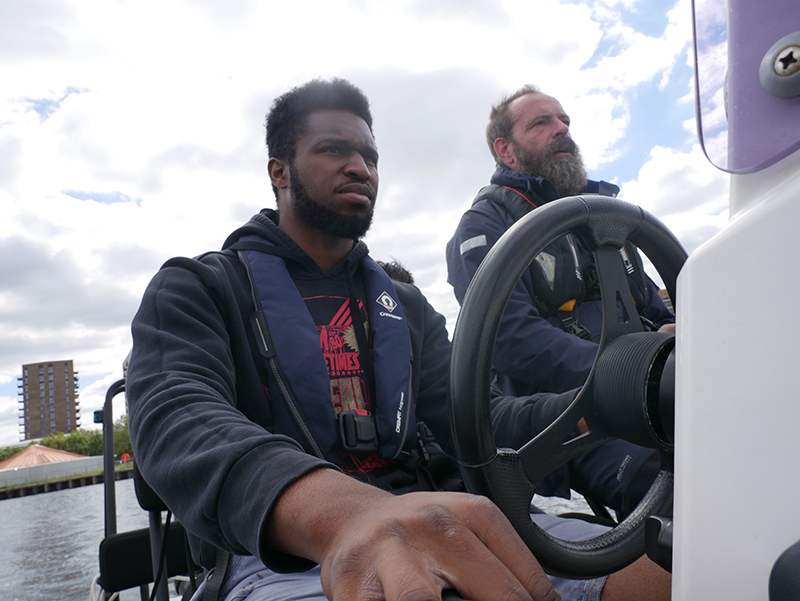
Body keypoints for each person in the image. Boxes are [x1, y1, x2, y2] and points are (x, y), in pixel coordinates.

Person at [126, 79, 669, 601]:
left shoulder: (404, 307)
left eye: (370, 156)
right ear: (279, 170)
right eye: (334, 150)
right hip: (280, 561)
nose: (360, 167)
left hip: (452, 518)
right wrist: (342, 513)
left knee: (679, 570)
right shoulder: (198, 289)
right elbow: (176, 416)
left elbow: (477, 421)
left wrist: (598, 403)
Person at [446, 85, 675, 515]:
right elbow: (510, 338)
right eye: (541, 123)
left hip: (656, 382)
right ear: (505, 150)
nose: (561, 130)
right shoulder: (485, 227)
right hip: (576, 412)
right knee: (684, 492)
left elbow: (653, 308)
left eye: (564, 120)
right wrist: (632, 371)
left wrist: (672, 342)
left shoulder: (606, 219)